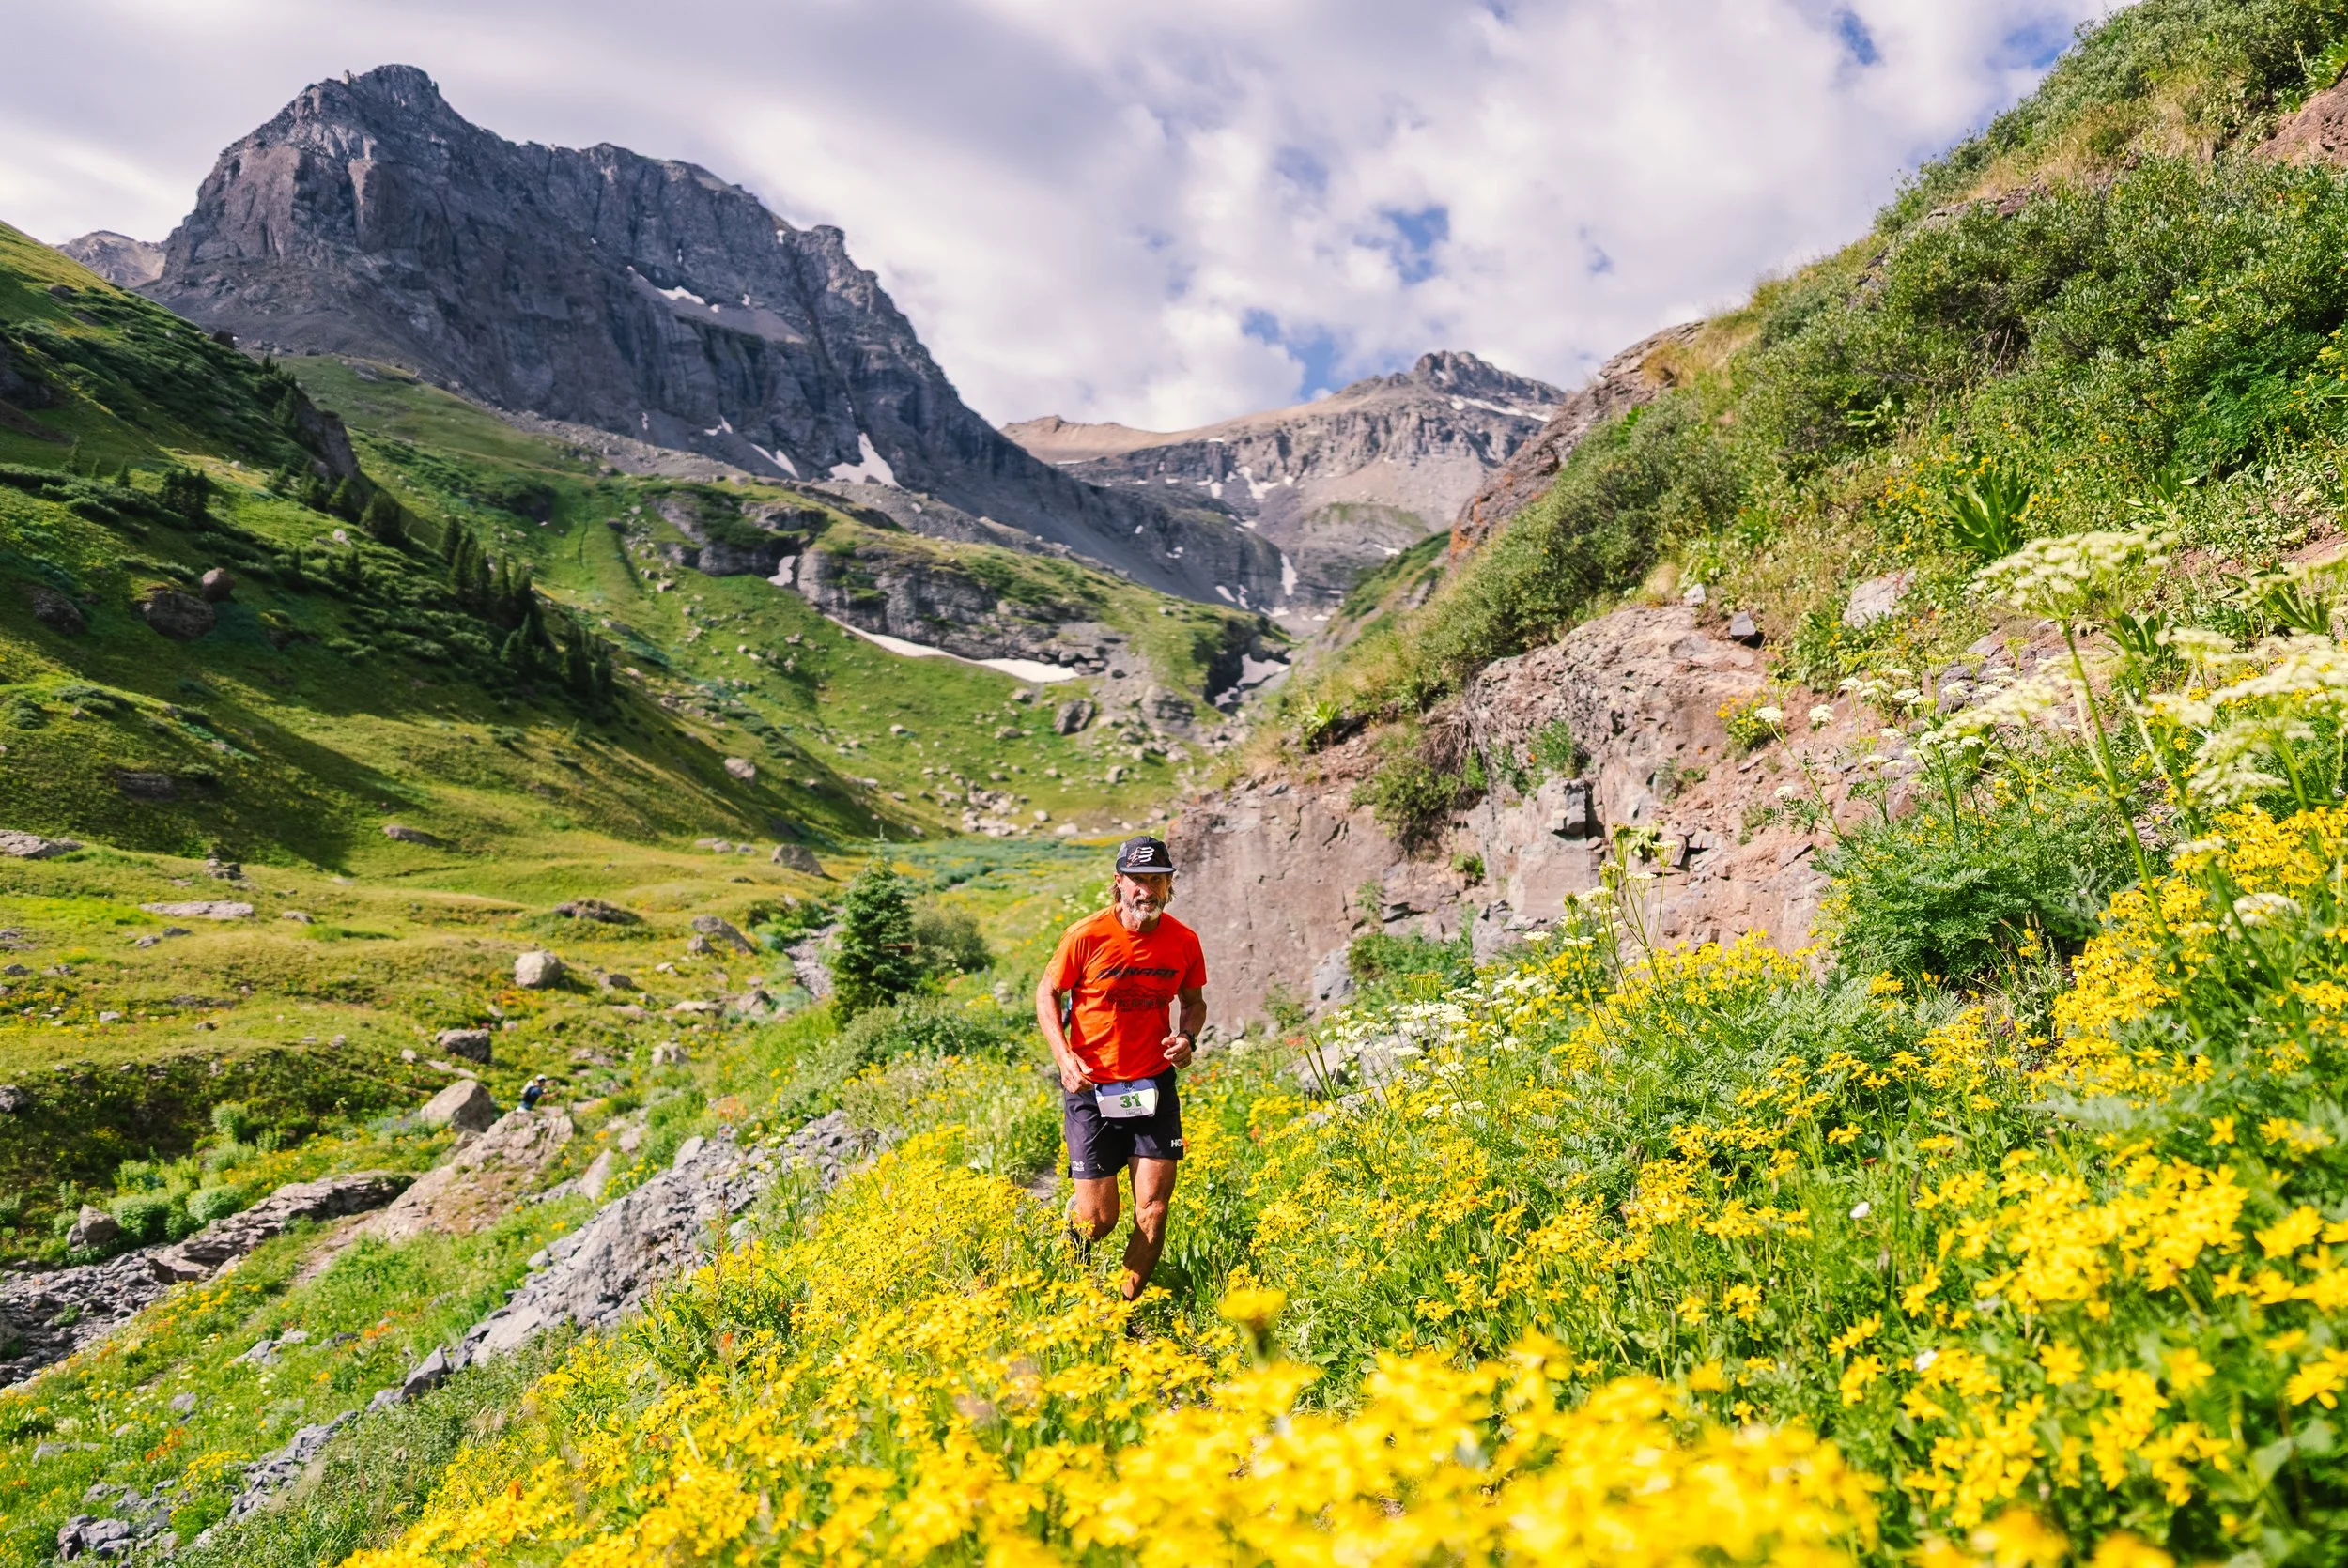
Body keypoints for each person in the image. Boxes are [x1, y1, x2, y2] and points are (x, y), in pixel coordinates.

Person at [1036, 834, 1206, 1301]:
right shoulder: (1086, 936)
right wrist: (1063, 1057)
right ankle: (1071, 1262)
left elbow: (1194, 1003)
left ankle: (1116, 1310)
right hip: (1091, 1086)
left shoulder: (1184, 942)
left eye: (1158, 880)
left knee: (1152, 1211)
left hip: (1153, 1085)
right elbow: (1047, 993)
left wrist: (1187, 1038)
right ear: (1118, 883)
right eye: (1138, 880)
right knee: (1097, 1220)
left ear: (1169, 886)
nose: (1147, 890)